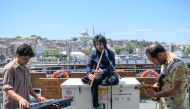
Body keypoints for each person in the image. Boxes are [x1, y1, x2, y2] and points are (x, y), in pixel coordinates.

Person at [2, 43, 47, 109]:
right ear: (17, 55)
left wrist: (37, 97)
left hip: (26, 106)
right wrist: (20, 99)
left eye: (29, 58)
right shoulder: (9, 69)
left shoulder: (26, 69)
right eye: (25, 58)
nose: (27, 61)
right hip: (12, 106)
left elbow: (28, 87)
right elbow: (7, 90)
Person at [144, 43, 188, 109]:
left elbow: (175, 90)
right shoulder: (164, 62)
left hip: (176, 106)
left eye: (153, 60)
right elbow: (166, 81)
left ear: (159, 55)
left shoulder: (179, 65)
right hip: (164, 104)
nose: (153, 63)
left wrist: (155, 94)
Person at [86, 34, 115, 109]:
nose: (99, 46)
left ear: (104, 44)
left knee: (113, 80)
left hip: (107, 74)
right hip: (97, 75)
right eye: (97, 44)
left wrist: (103, 71)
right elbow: (88, 65)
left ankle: (103, 81)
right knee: (93, 80)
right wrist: (89, 74)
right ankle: (95, 105)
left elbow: (112, 67)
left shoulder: (110, 53)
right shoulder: (93, 54)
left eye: (100, 44)